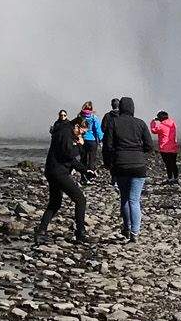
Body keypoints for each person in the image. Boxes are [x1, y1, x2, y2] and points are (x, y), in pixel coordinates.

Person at [103, 94, 155, 242]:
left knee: (125, 198)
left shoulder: (114, 123)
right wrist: (138, 151)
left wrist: (108, 164)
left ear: (120, 108)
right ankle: (135, 232)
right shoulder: (140, 123)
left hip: (120, 165)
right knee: (135, 200)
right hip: (138, 165)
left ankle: (126, 227)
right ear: (132, 108)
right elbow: (149, 146)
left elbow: (108, 146)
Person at [35, 115, 89, 243]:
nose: (82, 135)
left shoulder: (64, 131)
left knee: (55, 202)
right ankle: (80, 232)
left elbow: (68, 156)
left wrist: (85, 170)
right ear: (77, 126)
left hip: (52, 170)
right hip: (59, 173)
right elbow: (69, 156)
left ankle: (41, 230)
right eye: (82, 132)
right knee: (80, 199)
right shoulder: (66, 135)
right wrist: (80, 146)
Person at [151, 111, 179, 183]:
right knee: (174, 163)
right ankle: (176, 178)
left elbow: (153, 130)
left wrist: (153, 122)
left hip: (164, 148)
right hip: (174, 148)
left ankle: (170, 178)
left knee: (168, 164)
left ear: (160, 118)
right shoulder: (173, 123)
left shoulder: (161, 126)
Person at [79, 102, 103, 180]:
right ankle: (89, 177)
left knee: (83, 159)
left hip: (82, 140)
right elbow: (98, 130)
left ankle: (83, 176)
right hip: (92, 141)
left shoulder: (80, 117)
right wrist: (101, 140)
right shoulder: (94, 117)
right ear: (91, 109)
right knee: (92, 160)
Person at [100, 98, 121, 172]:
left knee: (110, 160)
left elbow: (103, 128)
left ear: (111, 105)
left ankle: (113, 178)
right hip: (120, 140)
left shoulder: (107, 116)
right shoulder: (122, 116)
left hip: (108, 140)